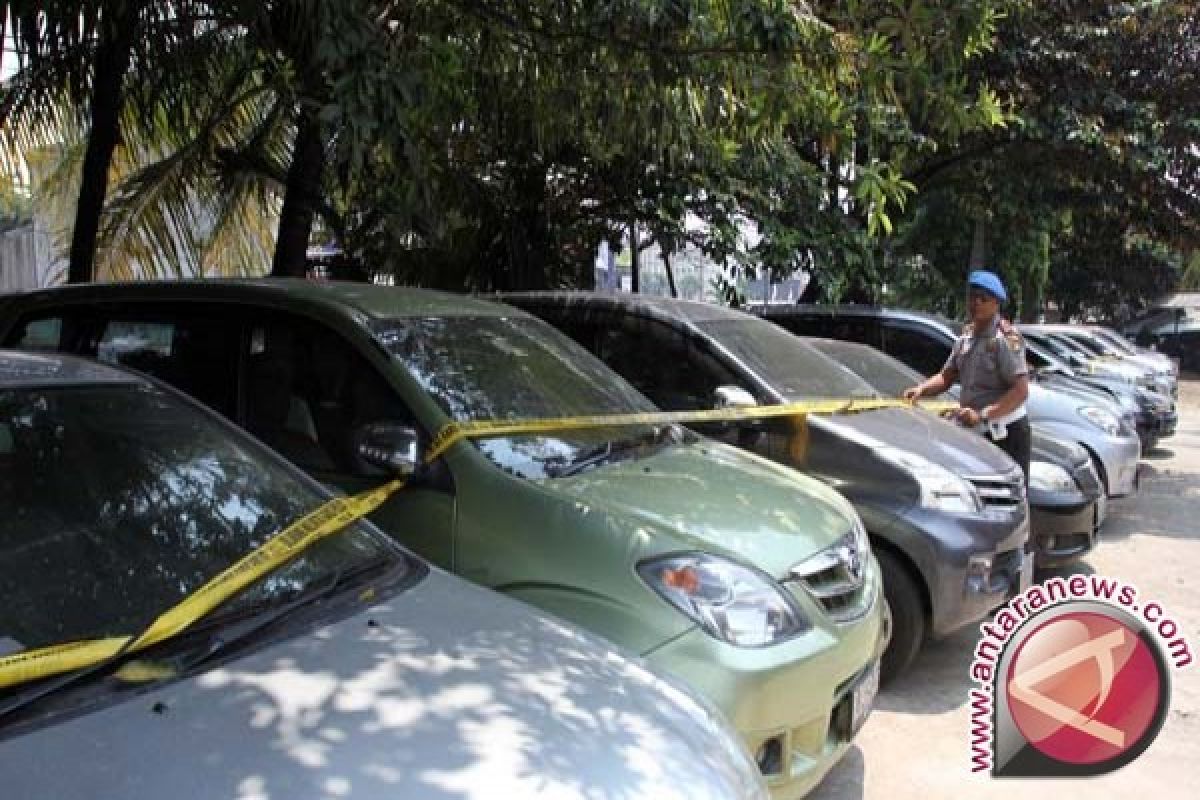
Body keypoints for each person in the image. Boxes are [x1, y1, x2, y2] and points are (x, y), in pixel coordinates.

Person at [903, 270, 1031, 479]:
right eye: (972, 297)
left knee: (1009, 496)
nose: (976, 303)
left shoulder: (1005, 339)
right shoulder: (966, 337)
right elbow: (947, 376)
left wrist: (983, 415)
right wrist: (921, 389)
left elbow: (1020, 391)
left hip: (1005, 430)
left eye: (983, 299)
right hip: (975, 429)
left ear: (996, 304)